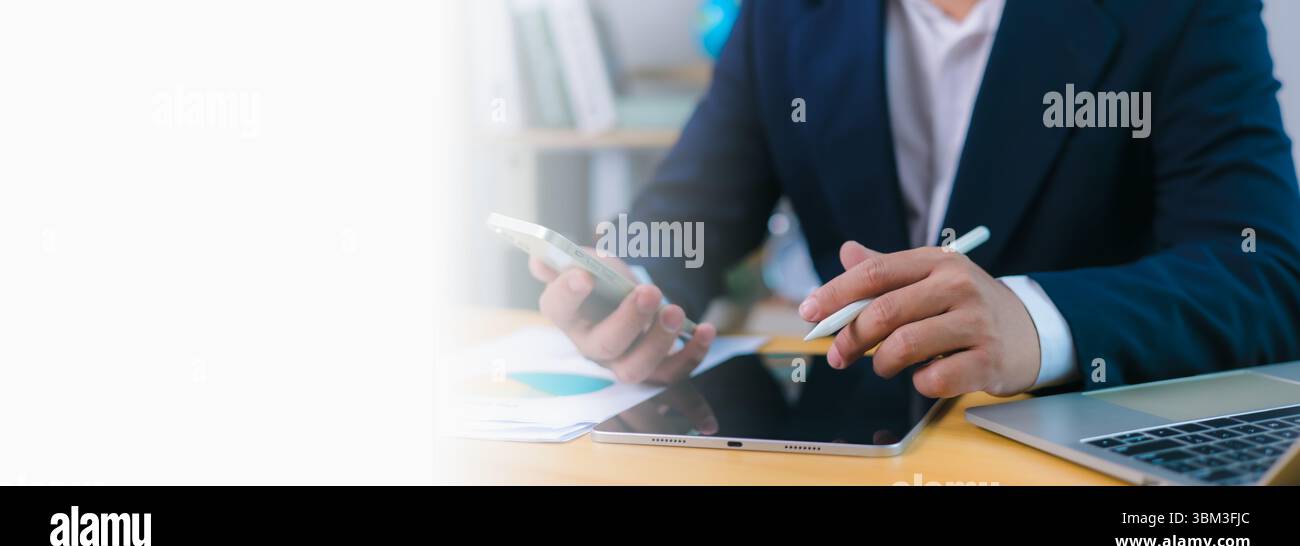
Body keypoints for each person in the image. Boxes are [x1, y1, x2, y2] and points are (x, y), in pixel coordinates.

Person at [530, 0, 1300, 397]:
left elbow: (1263, 270)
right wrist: (630, 290)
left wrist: (1033, 319)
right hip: (864, 448)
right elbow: (694, 210)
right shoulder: (786, 13)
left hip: (1081, 450)